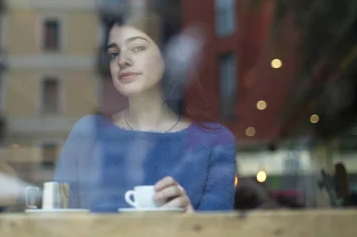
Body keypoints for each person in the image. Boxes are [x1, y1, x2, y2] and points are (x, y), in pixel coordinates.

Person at [53, 13, 237, 212]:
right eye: (114, 53)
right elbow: (56, 220)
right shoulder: (87, 133)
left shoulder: (213, 142)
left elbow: (219, 228)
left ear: (167, 56)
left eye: (138, 48)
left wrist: (190, 221)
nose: (122, 60)